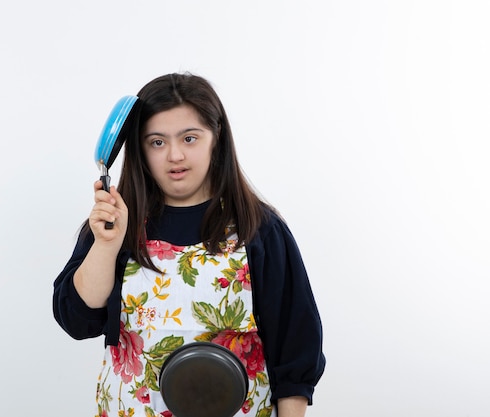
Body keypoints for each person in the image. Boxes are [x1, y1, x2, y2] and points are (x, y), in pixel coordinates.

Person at [53, 73, 325, 417]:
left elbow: (294, 349)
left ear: (217, 138)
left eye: (190, 138)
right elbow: (77, 321)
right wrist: (106, 245)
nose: (174, 155)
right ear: (139, 148)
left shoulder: (259, 230)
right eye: (157, 142)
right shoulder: (116, 225)